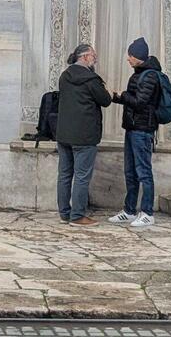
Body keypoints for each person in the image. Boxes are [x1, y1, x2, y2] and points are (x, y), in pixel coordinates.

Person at [55, 42, 112, 227]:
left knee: (64, 174)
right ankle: (77, 216)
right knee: (81, 176)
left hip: (64, 134)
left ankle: (65, 213)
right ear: (85, 57)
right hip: (85, 135)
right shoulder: (91, 79)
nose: (95, 59)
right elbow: (105, 100)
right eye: (93, 56)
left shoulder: (64, 76)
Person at [109, 37, 161, 230]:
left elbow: (140, 102)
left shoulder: (150, 76)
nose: (128, 59)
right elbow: (134, 100)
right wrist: (117, 98)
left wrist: (123, 96)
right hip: (132, 128)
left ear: (138, 56)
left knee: (143, 172)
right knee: (130, 172)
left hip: (142, 130)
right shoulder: (139, 74)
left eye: (130, 55)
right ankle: (129, 210)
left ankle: (147, 213)